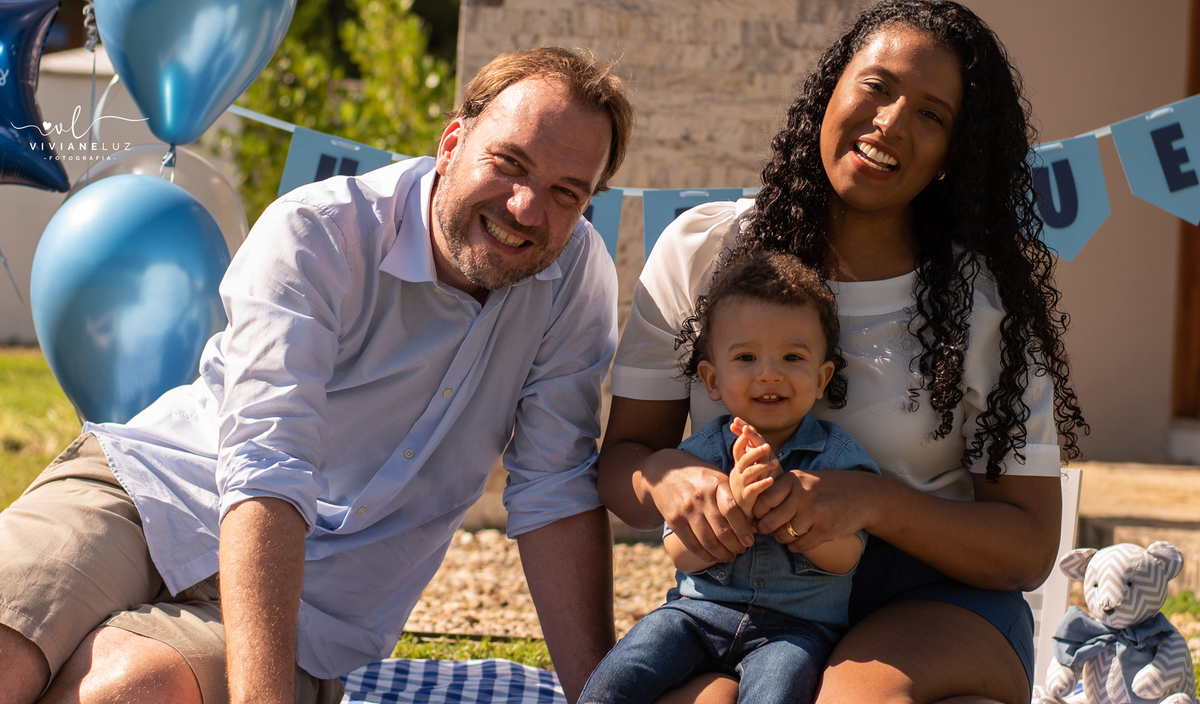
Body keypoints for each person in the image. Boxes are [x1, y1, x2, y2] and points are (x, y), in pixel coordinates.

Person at [0, 46, 634, 704]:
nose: (527, 208)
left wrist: (600, 698)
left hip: (313, 606)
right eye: (509, 163)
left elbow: (555, 488)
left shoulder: (573, 279)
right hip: (151, 491)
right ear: (452, 143)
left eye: (567, 193)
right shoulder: (319, 231)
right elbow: (266, 468)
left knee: (129, 691)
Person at [597, 1, 1088, 702]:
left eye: (931, 114)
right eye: (877, 86)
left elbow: (1029, 546)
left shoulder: (986, 303)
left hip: (931, 599)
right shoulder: (704, 251)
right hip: (749, 603)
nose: (891, 122)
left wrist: (872, 502)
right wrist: (667, 478)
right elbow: (624, 461)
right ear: (830, 89)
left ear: (954, 153)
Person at [578, 250, 880, 704]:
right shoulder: (700, 455)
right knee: (620, 674)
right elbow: (680, 554)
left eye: (792, 357)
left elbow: (847, 557)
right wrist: (734, 502)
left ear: (821, 378)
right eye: (746, 357)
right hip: (697, 614)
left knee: (777, 691)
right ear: (712, 380)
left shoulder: (837, 457)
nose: (769, 373)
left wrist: (788, 509)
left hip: (795, 629)